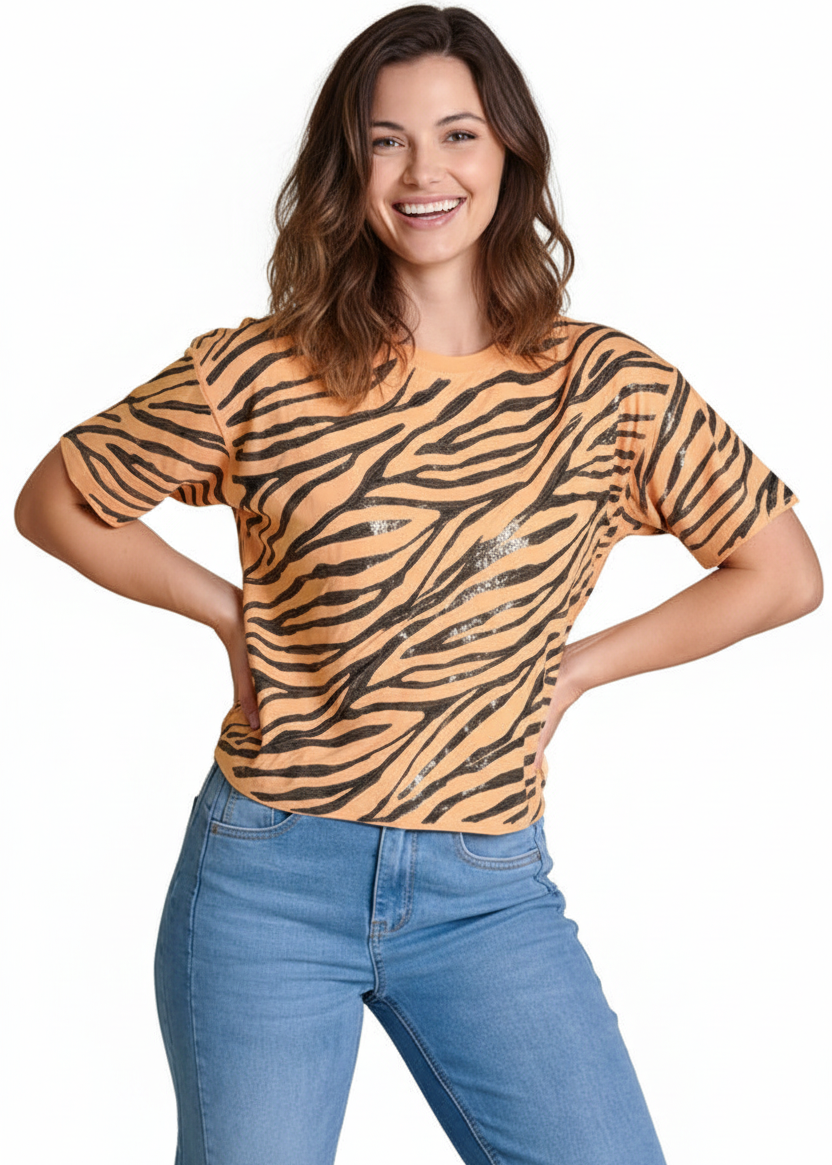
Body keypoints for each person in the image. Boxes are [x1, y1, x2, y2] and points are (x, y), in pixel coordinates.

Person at [14, 5, 822, 1164]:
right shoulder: (259, 370)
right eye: (385, 141)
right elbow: (57, 499)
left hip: (485, 888)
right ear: (347, 167)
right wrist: (228, 615)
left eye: (457, 135)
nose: (422, 172)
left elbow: (781, 572)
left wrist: (574, 672)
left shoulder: (608, 387)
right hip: (268, 877)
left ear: (509, 155)